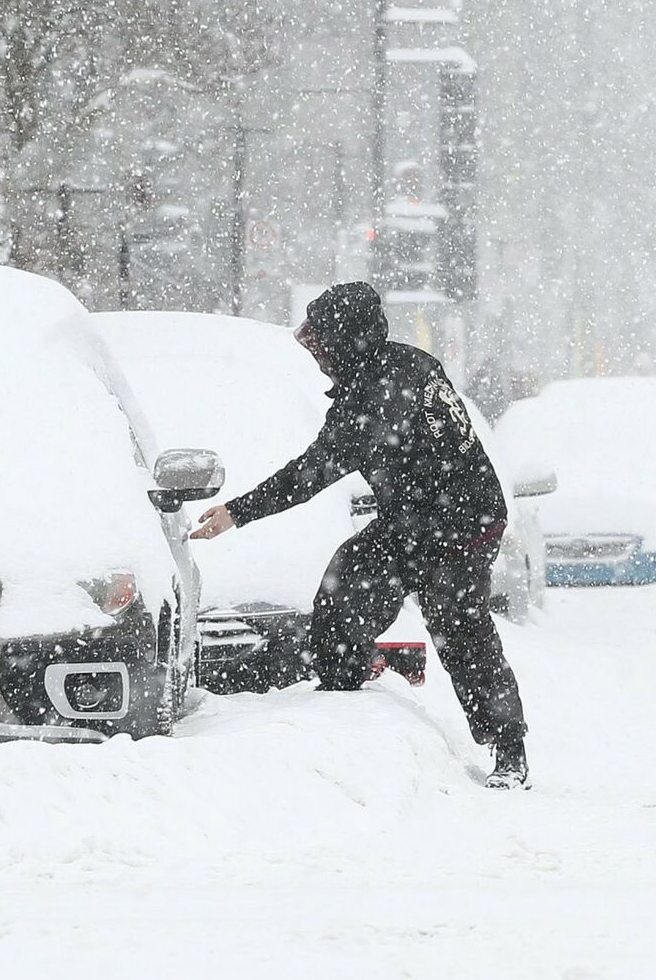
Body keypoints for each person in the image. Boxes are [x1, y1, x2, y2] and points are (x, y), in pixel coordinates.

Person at [191, 282, 531, 790]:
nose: (319, 359)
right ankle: (343, 693)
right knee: (344, 586)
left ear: (347, 342)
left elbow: (312, 472)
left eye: (323, 347)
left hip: (462, 523)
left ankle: (510, 751)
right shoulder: (395, 366)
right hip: (413, 519)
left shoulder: (379, 395)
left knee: (460, 629)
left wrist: (238, 512)